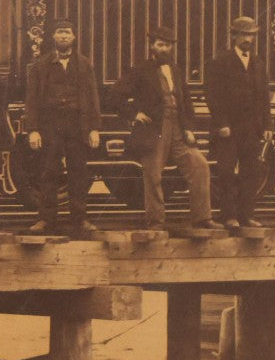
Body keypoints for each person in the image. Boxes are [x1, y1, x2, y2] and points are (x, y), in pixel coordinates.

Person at [115, 24, 213, 231]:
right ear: (152, 46)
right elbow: (114, 96)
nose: (164, 49)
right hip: (154, 131)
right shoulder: (140, 70)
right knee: (153, 176)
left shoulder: (176, 70)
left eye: (168, 45)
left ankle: (202, 218)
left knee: (200, 166)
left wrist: (189, 128)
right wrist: (134, 114)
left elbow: (186, 102)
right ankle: (156, 222)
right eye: (160, 45)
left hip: (178, 129)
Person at [22, 19, 101, 236]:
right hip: (50, 124)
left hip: (77, 124)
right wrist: (33, 129)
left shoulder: (84, 64)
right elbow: (31, 99)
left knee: (78, 172)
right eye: (59, 32)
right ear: (53, 37)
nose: (64, 36)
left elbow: (93, 97)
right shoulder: (41, 65)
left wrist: (94, 128)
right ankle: (46, 220)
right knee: (48, 171)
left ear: (73, 37)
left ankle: (80, 220)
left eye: (67, 32)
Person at [205, 16, 271, 228]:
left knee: (250, 172)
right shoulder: (220, 61)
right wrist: (221, 123)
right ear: (234, 36)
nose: (248, 39)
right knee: (226, 172)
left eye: (251, 35)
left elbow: (264, 97)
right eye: (244, 35)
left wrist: (267, 125)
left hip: (252, 129)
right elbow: (213, 96)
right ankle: (228, 216)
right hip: (229, 129)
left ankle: (246, 216)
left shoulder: (259, 64)